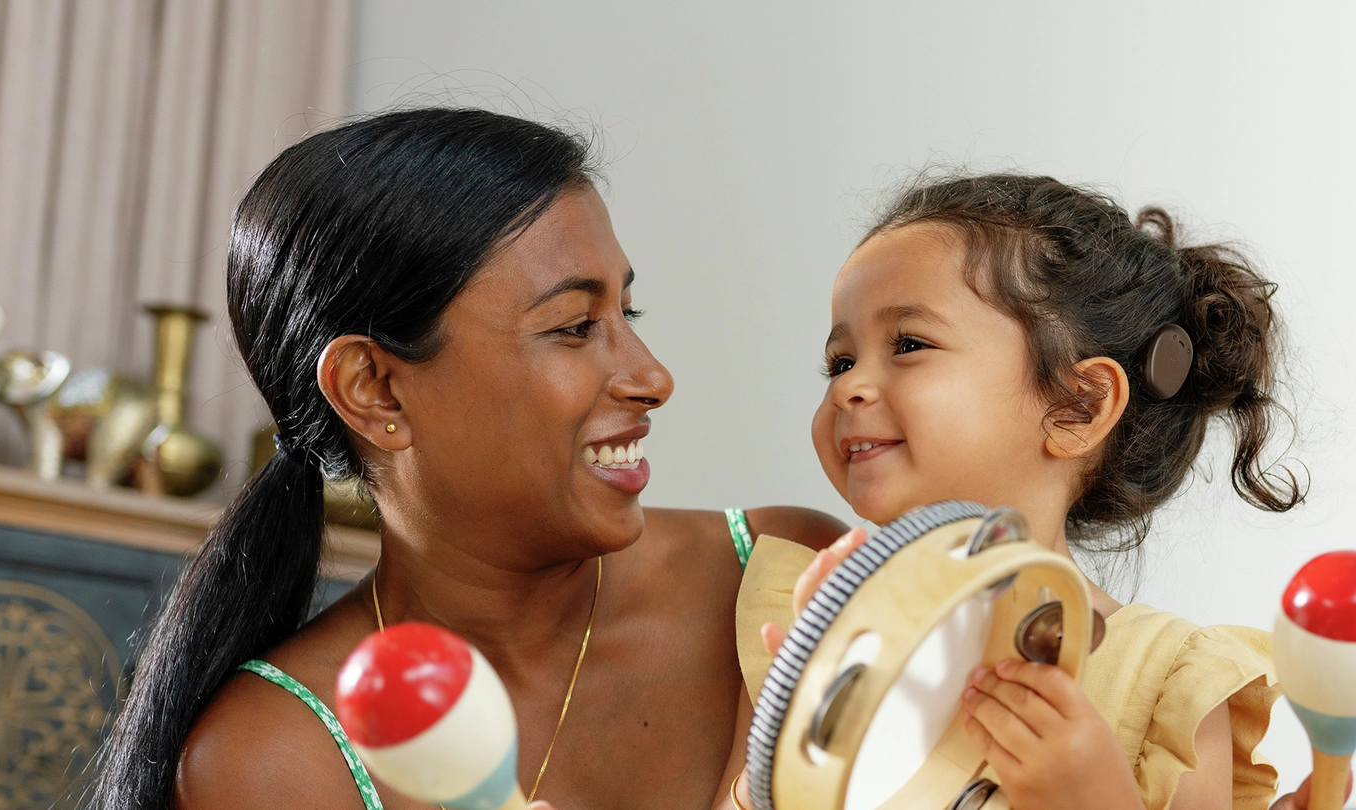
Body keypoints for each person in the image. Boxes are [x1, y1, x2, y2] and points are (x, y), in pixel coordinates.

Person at [83, 108, 846, 810]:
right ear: (375, 388)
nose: (652, 378)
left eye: (627, 312)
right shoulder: (275, 758)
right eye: (576, 326)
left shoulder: (789, 581)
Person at [730, 174, 1351, 810]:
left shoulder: (1164, 678)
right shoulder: (816, 628)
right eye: (840, 361)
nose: (848, 387)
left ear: (1078, 407)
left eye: (909, 344)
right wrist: (793, 739)